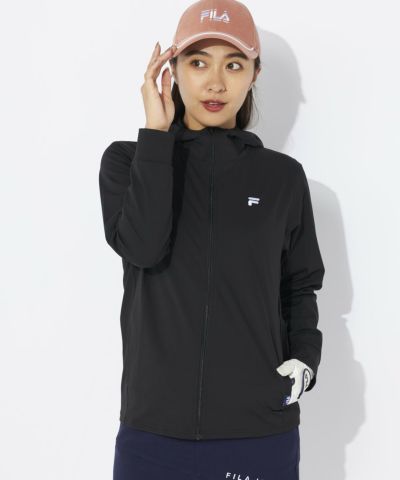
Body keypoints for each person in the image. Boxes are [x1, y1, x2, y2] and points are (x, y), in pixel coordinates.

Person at [98, 0, 325, 478]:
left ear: (254, 73)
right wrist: (156, 136)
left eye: (234, 65)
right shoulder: (130, 161)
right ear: (172, 70)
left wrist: (305, 358)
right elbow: (142, 248)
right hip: (153, 431)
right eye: (198, 63)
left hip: (258, 430)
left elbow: (300, 285)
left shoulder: (282, 177)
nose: (216, 83)